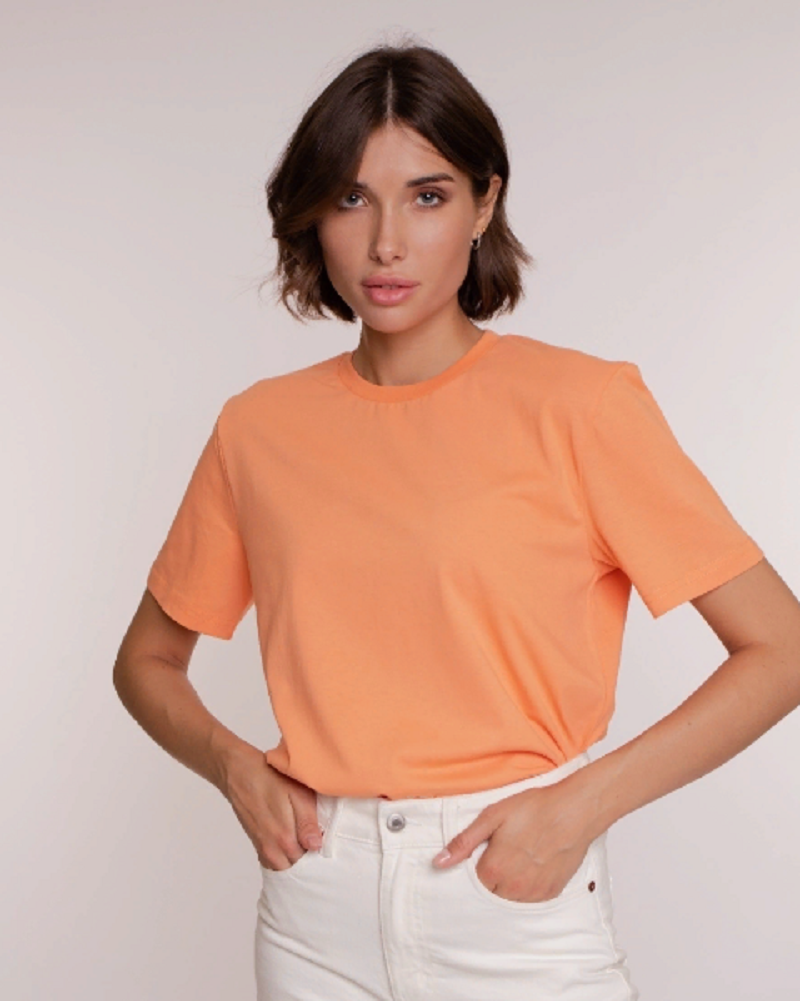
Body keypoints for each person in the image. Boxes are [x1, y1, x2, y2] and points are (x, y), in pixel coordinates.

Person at [113, 42, 800, 1001]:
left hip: (512, 896)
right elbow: (146, 661)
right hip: (315, 912)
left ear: (484, 203)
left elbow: (780, 647)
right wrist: (236, 767)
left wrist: (582, 805)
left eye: (427, 196)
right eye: (352, 198)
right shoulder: (258, 429)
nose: (386, 242)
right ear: (313, 213)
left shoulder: (580, 406)